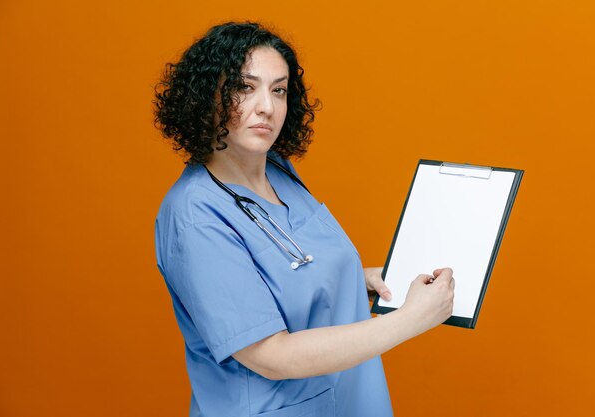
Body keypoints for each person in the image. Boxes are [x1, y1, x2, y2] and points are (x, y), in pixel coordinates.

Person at [153, 21, 455, 417]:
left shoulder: (277, 171)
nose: (266, 106)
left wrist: (349, 280)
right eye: (245, 87)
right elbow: (271, 355)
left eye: (278, 90)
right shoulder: (194, 215)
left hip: (349, 399)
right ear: (206, 95)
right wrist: (410, 320)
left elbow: (288, 268)